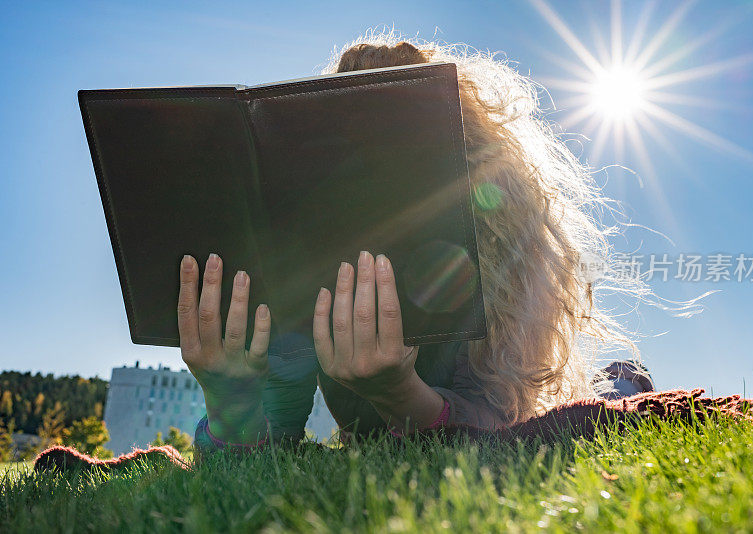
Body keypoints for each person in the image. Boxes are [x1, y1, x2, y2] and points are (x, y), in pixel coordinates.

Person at [177, 32, 644, 457]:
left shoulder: (502, 234)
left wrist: (399, 393)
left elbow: (502, 427)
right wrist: (228, 399)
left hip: (515, 405)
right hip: (378, 440)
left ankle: (624, 382)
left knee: (622, 390)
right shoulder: (302, 238)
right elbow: (269, 442)